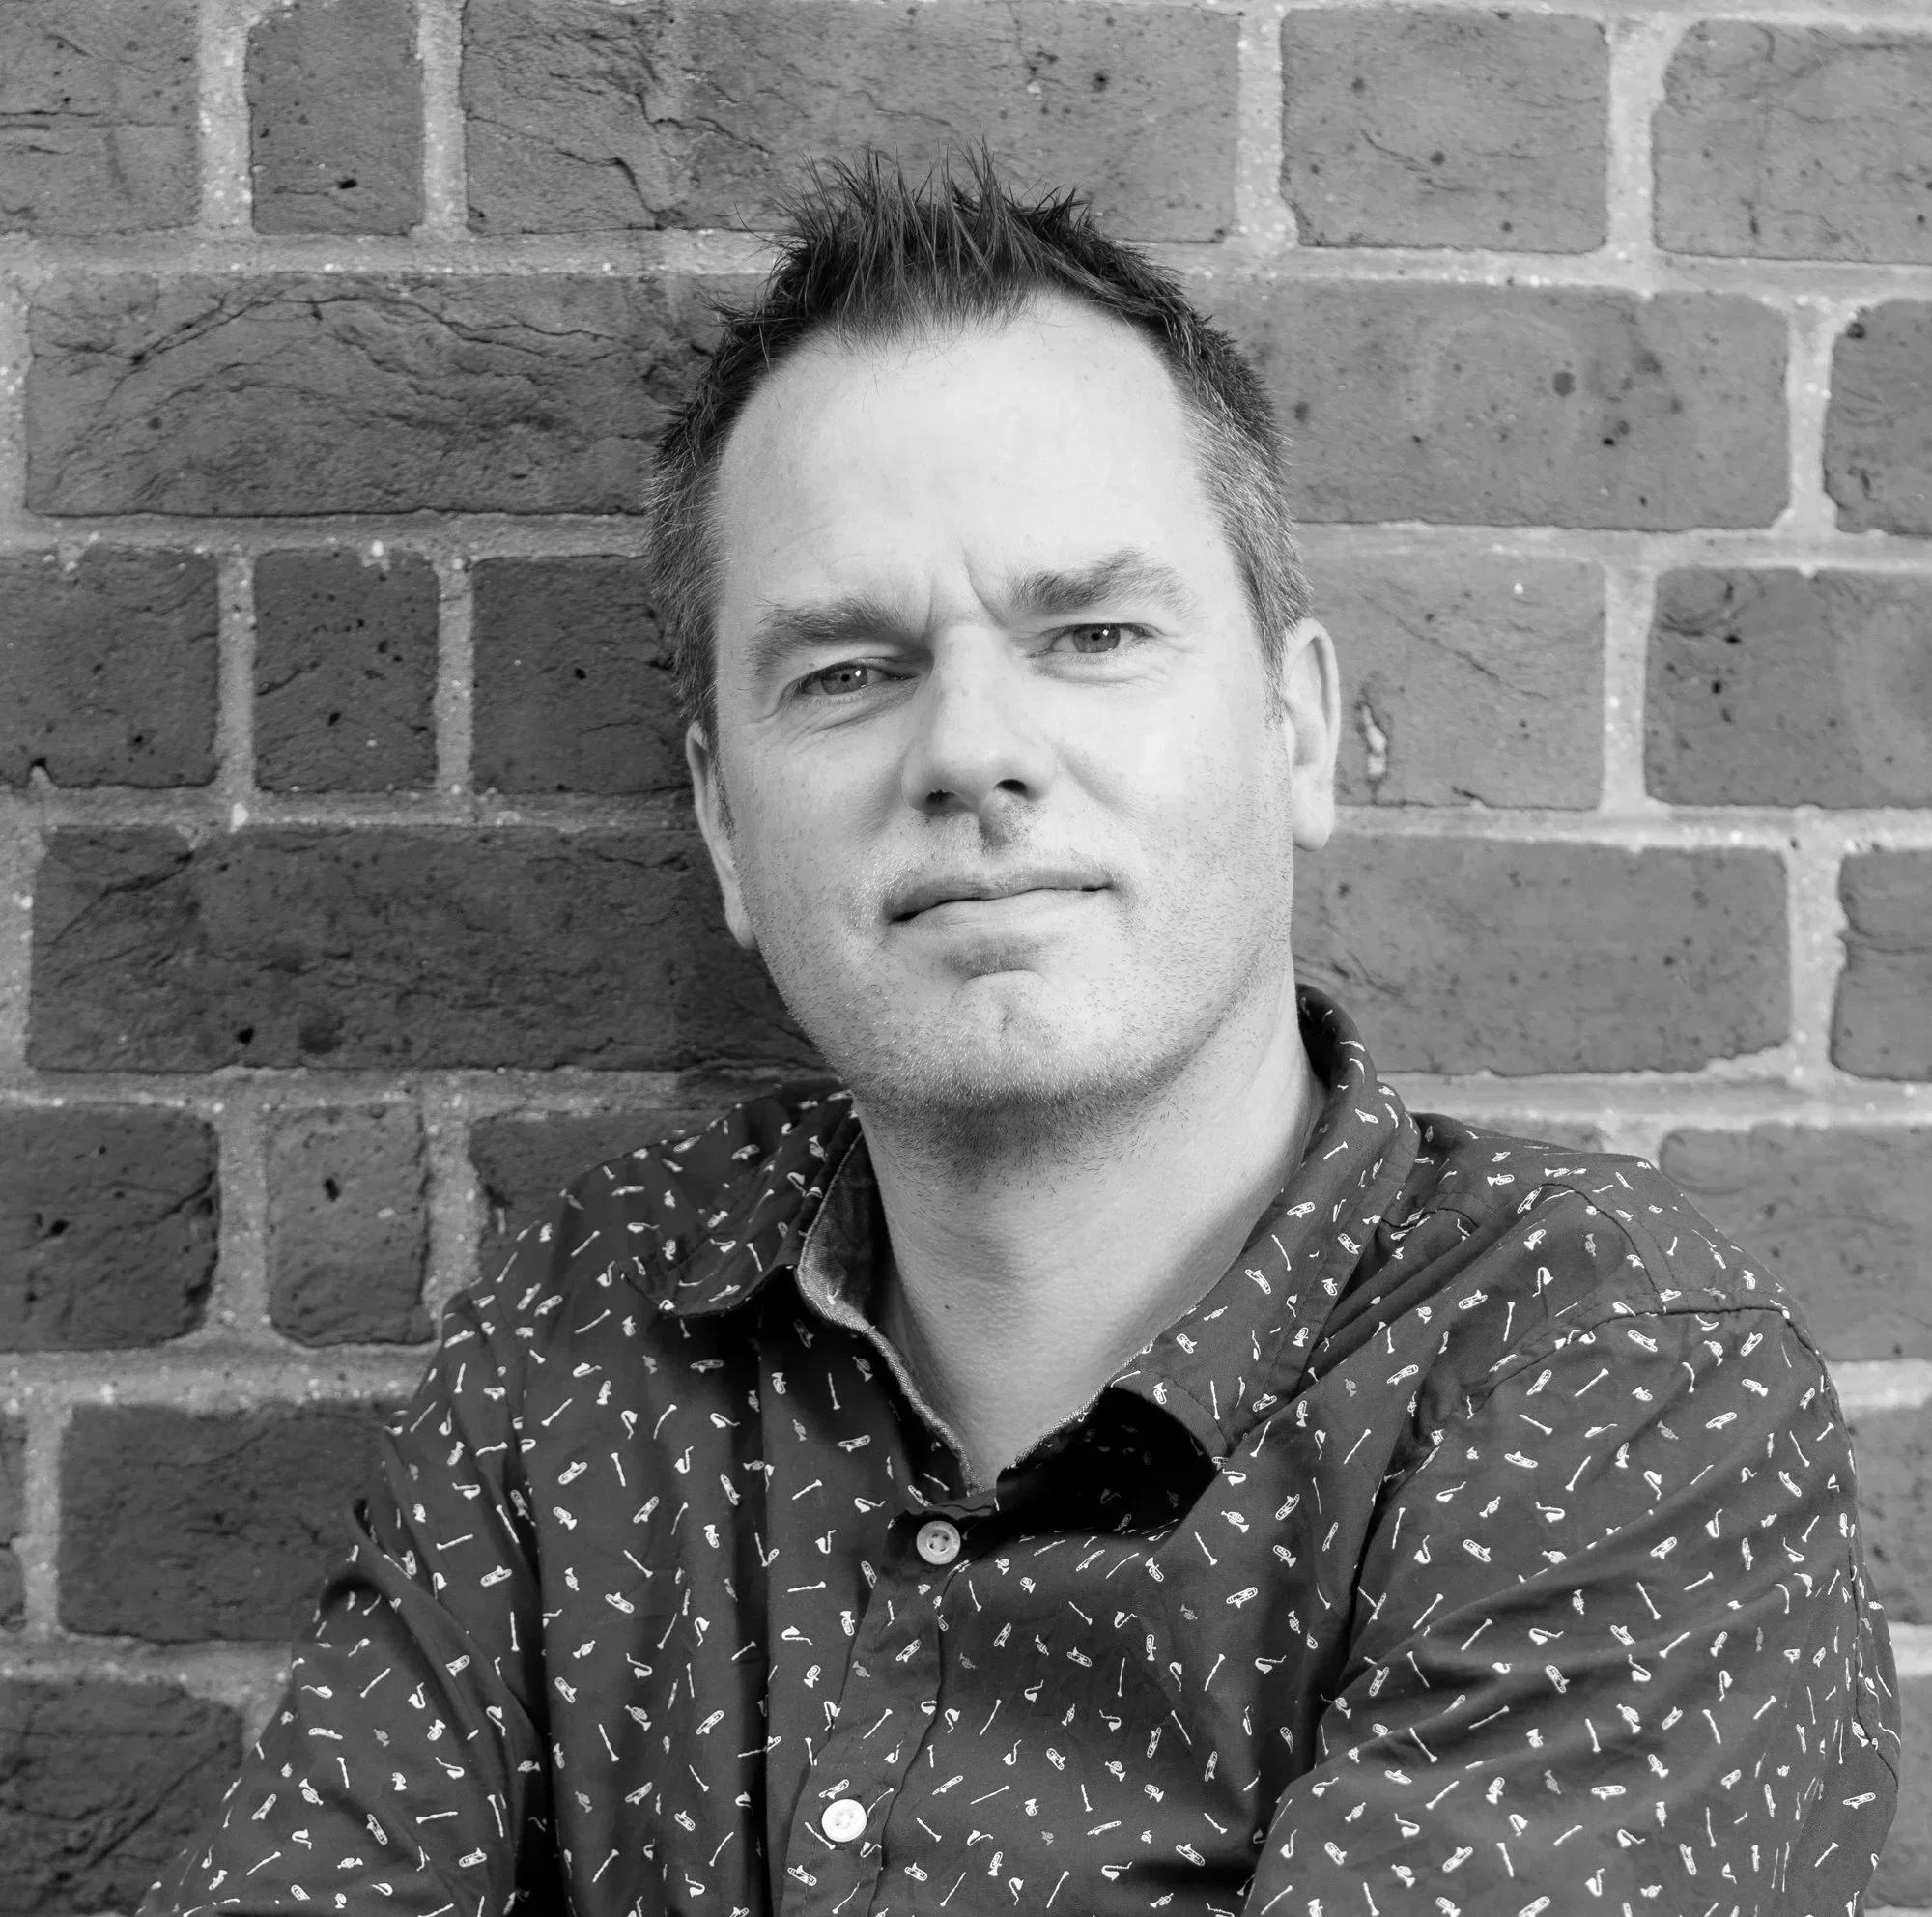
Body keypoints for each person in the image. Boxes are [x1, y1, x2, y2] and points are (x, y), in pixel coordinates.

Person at [144, 156, 1898, 1917]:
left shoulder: (1611, 1386)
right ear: (727, 828)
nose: (973, 749)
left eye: (1095, 633)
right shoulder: (594, 1323)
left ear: (1295, 730)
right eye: (847, 671)